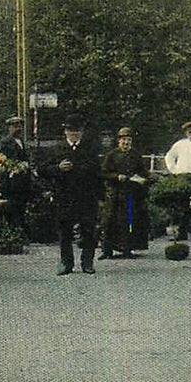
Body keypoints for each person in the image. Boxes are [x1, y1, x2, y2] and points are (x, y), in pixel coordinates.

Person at [41, 115, 101, 275]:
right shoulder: (56, 149)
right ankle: (66, 263)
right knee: (64, 231)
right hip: (64, 196)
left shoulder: (91, 148)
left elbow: (97, 170)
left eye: (77, 131)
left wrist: (81, 169)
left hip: (86, 196)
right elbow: (43, 170)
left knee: (88, 231)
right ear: (65, 132)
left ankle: (87, 263)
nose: (74, 134)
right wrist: (57, 168)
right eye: (70, 131)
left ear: (82, 132)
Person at [99, 127, 149, 259]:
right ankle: (107, 251)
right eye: (123, 140)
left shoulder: (135, 155)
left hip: (130, 192)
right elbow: (103, 173)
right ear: (118, 141)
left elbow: (143, 171)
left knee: (128, 221)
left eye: (129, 140)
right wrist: (116, 176)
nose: (126, 143)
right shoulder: (111, 155)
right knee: (109, 221)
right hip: (114, 193)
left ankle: (127, 249)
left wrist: (144, 178)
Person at [164, 121, 191, 239]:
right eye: (190, 132)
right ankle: (182, 233)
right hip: (183, 177)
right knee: (183, 206)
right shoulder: (179, 145)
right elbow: (169, 157)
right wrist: (174, 170)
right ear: (186, 133)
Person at [0, 116, 31, 230]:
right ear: (9, 128)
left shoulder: (22, 142)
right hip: (10, 181)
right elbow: (0, 161)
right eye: (15, 126)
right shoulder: (4, 143)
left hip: (22, 180)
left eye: (19, 126)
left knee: (21, 206)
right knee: (12, 208)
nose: (18, 128)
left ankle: (20, 230)